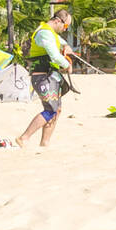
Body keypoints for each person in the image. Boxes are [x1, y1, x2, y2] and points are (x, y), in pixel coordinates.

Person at [15, 10, 75, 147]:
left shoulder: (50, 33)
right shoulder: (44, 33)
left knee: (57, 109)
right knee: (50, 109)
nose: (65, 30)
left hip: (51, 76)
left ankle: (45, 143)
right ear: (58, 21)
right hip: (42, 76)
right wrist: (67, 65)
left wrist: (66, 46)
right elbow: (54, 55)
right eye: (65, 27)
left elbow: (60, 41)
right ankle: (24, 138)